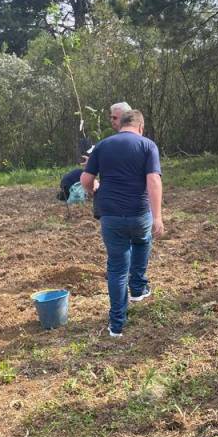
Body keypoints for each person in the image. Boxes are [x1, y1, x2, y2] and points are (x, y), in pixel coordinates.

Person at [81, 109, 164, 337]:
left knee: (117, 268)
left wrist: (93, 189)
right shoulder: (147, 146)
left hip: (110, 215)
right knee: (142, 241)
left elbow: (86, 178)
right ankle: (137, 289)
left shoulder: (102, 146)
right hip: (139, 213)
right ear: (140, 127)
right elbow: (153, 181)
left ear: (121, 124)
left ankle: (116, 325)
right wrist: (157, 217)